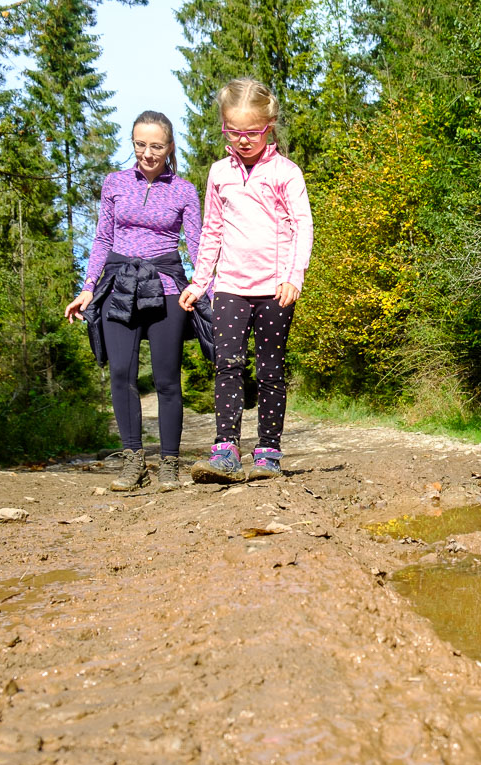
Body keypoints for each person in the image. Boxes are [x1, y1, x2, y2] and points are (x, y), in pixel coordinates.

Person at [65, 111, 213, 493]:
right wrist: (87, 287)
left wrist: (206, 290)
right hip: (119, 287)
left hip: (166, 287)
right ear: (133, 143)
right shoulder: (113, 183)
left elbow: (196, 245)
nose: (148, 153)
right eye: (140, 144)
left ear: (170, 147)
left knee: (166, 380)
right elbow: (101, 239)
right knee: (121, 375)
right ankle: (133, 461)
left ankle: (169, 464)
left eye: (156, 146)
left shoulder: (184, 190)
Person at [178, 78, 313, 483]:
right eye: (232, 132)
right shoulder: (219, 174)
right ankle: (225, 450)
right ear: (224, 128)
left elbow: (302, 226)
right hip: (230, 287)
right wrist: (200, 282)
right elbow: (212, 231)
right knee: (228, 366)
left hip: (275, 289)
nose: (242, 140)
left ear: (268, 126)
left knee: (270, 370)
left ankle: (268, 452)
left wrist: (294, 276)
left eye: (251, 132)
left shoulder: (285, 173)